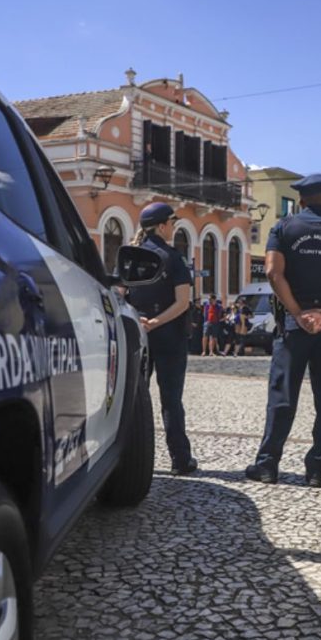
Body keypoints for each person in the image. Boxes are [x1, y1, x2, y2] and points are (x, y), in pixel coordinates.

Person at [245, 174, 321, 487]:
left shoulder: (284, 228)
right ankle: (317, 469)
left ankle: (268, 465)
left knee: (282, 396)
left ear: (301, 201)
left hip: (293, 325)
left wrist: (298, 313)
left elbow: (272, 271)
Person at [126, 202, 198, 475]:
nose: (175, 227)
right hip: (169, 336)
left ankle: (130, 459)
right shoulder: (172, 257)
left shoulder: (132, 256)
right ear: (161, 226)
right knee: (171, 400)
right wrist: (156, 322)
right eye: (172, 222)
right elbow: (182, 303)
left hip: (139, 334)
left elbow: (121, 294)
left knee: (135, 399)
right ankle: (180, 460)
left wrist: (141, 321)